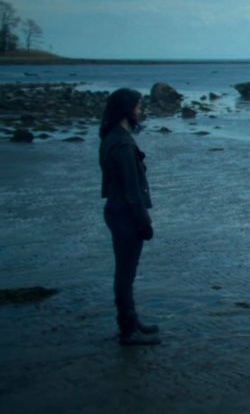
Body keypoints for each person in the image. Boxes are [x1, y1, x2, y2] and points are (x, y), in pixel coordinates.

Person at [99, 88, 160, 345]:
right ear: (127, 110)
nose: (140, 111)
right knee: (126, 274)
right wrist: (144, 223)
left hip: (117, 210)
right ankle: (128, 329)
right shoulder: (122, 143)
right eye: (137, 106)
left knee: (126, 273)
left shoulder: (112, 136)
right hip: (125, 213)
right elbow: (132, 190)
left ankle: (131, 321)